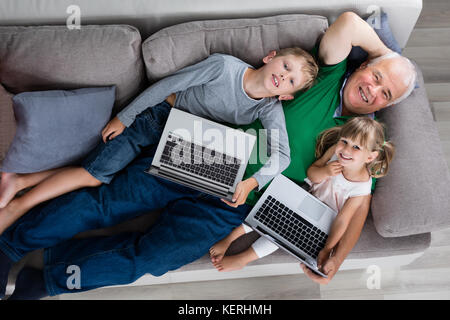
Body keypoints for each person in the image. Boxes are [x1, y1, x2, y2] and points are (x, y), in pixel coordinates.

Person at [0, 12, 417, 299]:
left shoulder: (368, 134)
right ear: (364, 66)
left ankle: (51, 278)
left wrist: (334, 259)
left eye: (387, 93)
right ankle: (11, 247)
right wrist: (388, 56)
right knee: (106, 204)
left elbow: (360, 200)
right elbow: (347, 24)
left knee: (157, 257)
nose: (374, 91)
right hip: (206, 153)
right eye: (376, 76)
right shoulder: (327, 76)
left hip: (243, 201)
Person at [0, 48, 319, 234]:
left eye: (291, 80)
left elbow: (283, 156)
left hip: (187, 137)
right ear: (271, 57)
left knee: (121, 183)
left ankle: (21, 182)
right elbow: (169, 84)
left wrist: (253, 182)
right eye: (286, 66)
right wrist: (125, 116)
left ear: (286, 95)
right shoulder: (224, 67)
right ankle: (20, 200)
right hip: (157, 116)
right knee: (96, 175)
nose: (284, 75)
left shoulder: (269, 107)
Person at [210, 117, 395, 274]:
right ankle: (232, 237)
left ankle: (245, 258)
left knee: (284, 234)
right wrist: (326, 172)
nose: (346, 150)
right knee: (272, 208)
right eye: (344, 141)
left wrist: (328, 248)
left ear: (370, 157)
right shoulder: (334, 153)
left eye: (356, 147)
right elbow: (312, 173)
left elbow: (343, 220)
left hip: (322, 216)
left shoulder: (362, 186)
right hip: (305, 194)